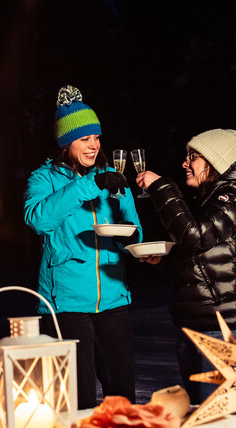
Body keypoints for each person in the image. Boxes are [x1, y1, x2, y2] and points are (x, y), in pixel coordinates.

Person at [24, 85, 143, 408]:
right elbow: (37, 219)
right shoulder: (44, 179)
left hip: (114, 298)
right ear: (66, 142)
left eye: (96, 138)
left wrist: (139, 245)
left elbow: (132, 226)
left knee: (123, 398)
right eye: (84, 139)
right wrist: (89, 184)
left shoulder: (111, 176)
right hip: (67, 304)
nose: (93, 145)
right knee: (76, 400)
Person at [135, 128, 236, 404]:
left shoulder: (235, 194)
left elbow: (196, 235)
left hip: (224, 329)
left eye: (193, 157)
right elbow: (203, 261)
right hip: (195, 325)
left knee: (220, 422)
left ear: (214, 161)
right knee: (199, 417)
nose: (185, 163)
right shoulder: (208, 197)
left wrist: (161, 188)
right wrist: (167, 259)